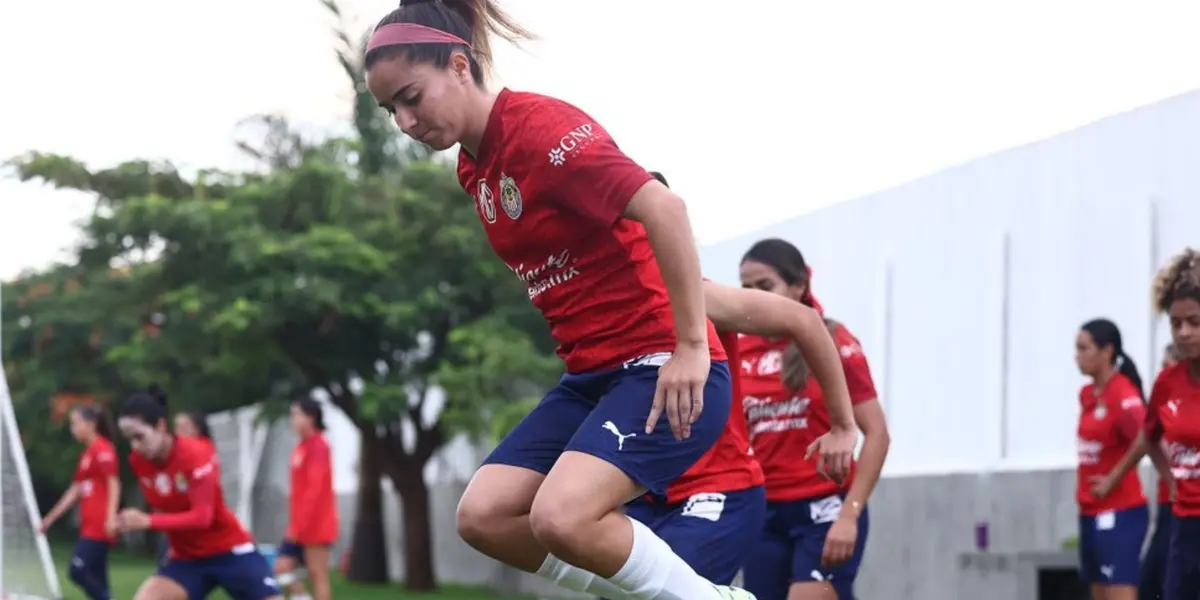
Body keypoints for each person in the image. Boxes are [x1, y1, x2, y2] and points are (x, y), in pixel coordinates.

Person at [363, 4, 854, 600]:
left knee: (561, 516)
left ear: (460, 66)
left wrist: (691, 347)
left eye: (411, 98)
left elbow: (666, 208)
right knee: (484, 516)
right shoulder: (474, 168)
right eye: (391, 110)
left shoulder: (540, 129)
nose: (405, 121)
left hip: (657, 372)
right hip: (591, 379)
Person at [592, 172, 857, 589]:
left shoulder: (700, 298)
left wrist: (842, 427)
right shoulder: (603, 312)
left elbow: (805, 320)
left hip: (721, 490)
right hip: (646, 491)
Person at [735, 238, 891, 600]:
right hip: (763, 512)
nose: (756, 297)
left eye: (765, 286)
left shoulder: (832, 341)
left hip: (826, 510)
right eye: (746, 288)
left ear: (799, 287)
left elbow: (877, 434)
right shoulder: (738, 349)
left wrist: (849, 515)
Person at [1097, 247, 1200, 600]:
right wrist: (1171, 479)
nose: (1183, 332)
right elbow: (1149, 435)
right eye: (1176, 323)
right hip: (1184, 526)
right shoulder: (1168, 383)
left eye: (1194, 322)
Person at [114, 385, 282, 600]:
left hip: (228, 550)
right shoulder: (139, 461)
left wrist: (147, 521)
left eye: (139, 436)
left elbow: (203, 517)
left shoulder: (196, 453)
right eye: (129, 439)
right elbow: (164, 507)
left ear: (161, 425)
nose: (135, 446)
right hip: (187, 559)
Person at [1072, 318, 1149, 600]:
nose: (1077, 356)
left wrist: (1112, 479)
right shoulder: (1088, 394)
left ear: (1107, 352)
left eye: (1084, 348)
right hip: (1089, 510)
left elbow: (1146, 436)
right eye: (1076, 348)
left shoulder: (1122, 393)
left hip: (1120, 511)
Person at [40, 405, 119, 600]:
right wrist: (49, 519)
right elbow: (74, 491)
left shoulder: (103, 449)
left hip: (100, 526)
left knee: (77, 570)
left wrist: (111, 517)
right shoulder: (87, 454)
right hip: (88, 525)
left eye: (76, 423)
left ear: (91, 424)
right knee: (98, 578)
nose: (73, 429)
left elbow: (114, 483)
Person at [275, 399, 338, 600]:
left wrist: (300, 525)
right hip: (298, 523)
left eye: (296, 414)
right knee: (281, 568)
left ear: (311, 417)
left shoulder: (319, 446)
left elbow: (315, 490)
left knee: (317, 574)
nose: (292, 420)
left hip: (316, 524)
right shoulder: (301, 446)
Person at [1140, 343, 1181, 600]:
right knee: (1152, 581)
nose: (1162, 373)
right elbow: (1149, 439)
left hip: (1185, 508)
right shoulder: (1164, 403)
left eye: (1167, 365)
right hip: (1168, 503)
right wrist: (1170, 478)